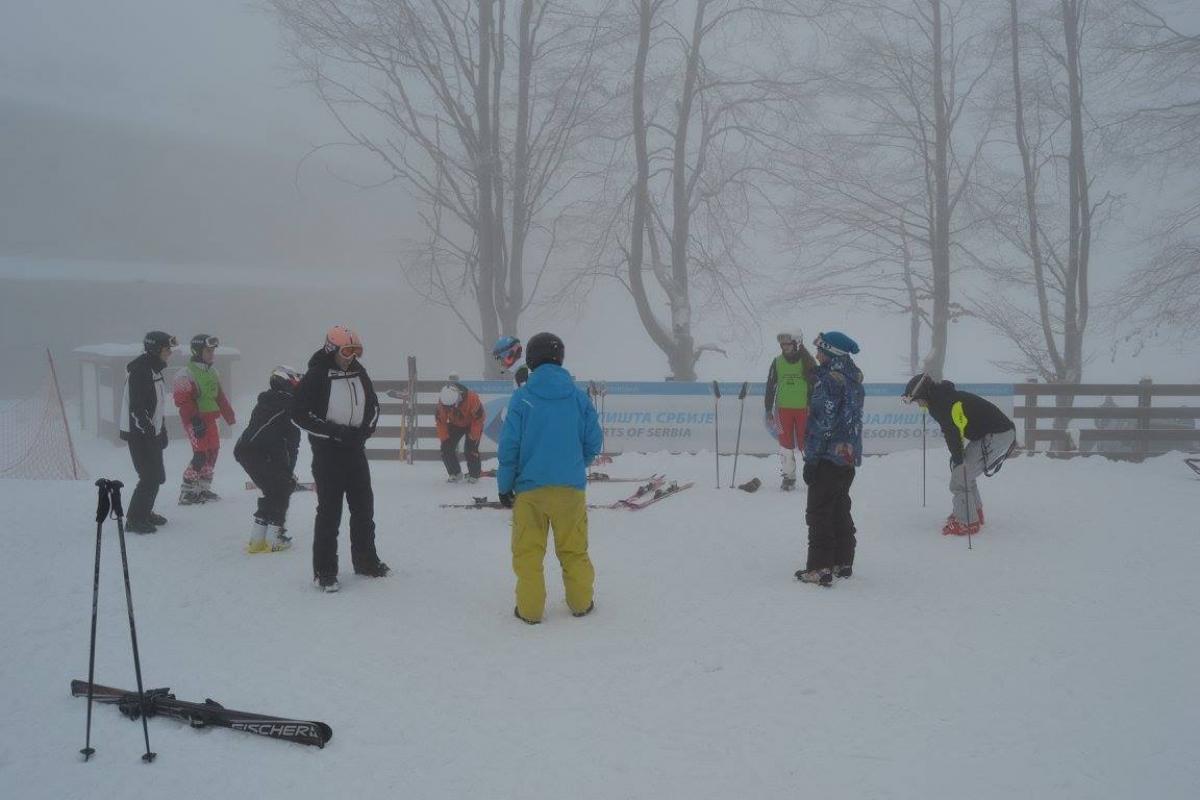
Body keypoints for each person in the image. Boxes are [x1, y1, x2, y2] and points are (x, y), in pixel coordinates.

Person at [497, 332, 604, 624]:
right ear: (560, 358)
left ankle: (530, 611)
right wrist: (573, 464)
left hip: (531, 492)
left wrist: (505, 486)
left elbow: (509, 447)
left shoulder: (522, 398)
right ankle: (581, 603)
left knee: (528, 552)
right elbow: (594, 441)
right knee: (574, 549)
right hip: (570, 491)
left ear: (531, 360)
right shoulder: (578, 398)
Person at [292, 325, 388, 592]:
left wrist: (364, 431)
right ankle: (325, 571)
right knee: (329, 513)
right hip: (328, 454)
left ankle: (366, 561)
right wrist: (333, 432)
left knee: (363, 508)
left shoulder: (359, 371)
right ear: (331, 348)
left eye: (356, 351)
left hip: (355, 450)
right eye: (347, 350)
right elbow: (299, 414)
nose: (351, 356)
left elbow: (373, 405)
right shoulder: (317, 375)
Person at [901, 373, 1017, 536]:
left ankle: (967, 522)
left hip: (998, 434)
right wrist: (958, 459)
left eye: (918, 400)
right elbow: (954, 430)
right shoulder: (943, 398)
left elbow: (952, 433)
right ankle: (973, 511)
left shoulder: (942, 404)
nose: (919, 405)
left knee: (960, 475)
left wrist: (958, 459)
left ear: (924, 394)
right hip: (995, 433)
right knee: (962, 470)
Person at [796, 331, 864, 586]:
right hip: (847, 457)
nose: (817, 355)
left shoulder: (828, 382)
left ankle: (820, 567)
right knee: (839, 507)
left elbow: (822, 424)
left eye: (821, 351)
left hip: (827, 456)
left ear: (831, 352)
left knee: (819, 512)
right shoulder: (853, 379)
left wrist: (812, 459)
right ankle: (842, 561)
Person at [234, 366, 303, 554]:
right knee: (281, 488)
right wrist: (288, 471)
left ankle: (257, 539)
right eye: (296, 382)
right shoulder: (287, 405)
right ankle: (274, 538)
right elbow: (290, 444)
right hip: (260, 453)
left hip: (246, 450)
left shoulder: (269, 400)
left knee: (273, 490)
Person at [121, 331, 176, 534]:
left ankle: (145, 512)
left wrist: (161, 431)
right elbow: (137, 407)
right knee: (148, 477)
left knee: (157, 476)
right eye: (167, 349)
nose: (170, 352)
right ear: (155, 349)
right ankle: (134, 520)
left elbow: (157, 404)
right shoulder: (140, 371)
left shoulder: (154, 370)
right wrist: (149, 431)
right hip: (139, 434)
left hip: (152, 432)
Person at [172, 334, 236, 504]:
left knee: (213, 453)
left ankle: (202, 489)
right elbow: (182, 400)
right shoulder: (185, 374)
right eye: (208, 350)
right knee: (200, 455)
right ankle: (187, 491)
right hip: (194, 420)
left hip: (210, 419)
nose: (212, 354)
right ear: (197, 351)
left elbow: (219, 396)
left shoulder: (213, 371)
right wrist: (195, 420)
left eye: (213, 350)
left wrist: (229, 416)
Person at [765, 330, 817, 490]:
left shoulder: (807, 362)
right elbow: (771, 386)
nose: (784, 347)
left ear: (796, 343)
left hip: (804, 410)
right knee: (785, 445)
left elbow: (815, 386)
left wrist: (813, 405)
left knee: (807, 445)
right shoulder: (777, 362)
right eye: (782, 344)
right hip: (783, 411)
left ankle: (813, 478)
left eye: (788, 343)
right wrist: (768, 409)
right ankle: (789, 477)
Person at [437, 380, 486, 483]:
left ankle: (474, 475)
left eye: (450, 406)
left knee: (470, 449)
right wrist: (444, 438)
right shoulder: (443, 402)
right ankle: (455, 473)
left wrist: (473, 436)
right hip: (455, 424)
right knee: (446, 448)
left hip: (473, 423)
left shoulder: (472, 398)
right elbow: (441, 421)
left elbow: (479, 418)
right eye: (447, 407)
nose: (448, 409)